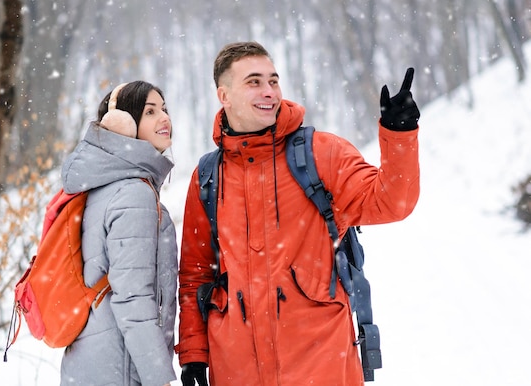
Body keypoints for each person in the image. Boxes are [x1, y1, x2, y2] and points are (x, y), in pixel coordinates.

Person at [176, 42, 420, 385]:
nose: (269, 91)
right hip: (235, 368)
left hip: (321, 364)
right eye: (254, 82)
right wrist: (193, 354)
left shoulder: (321, 153)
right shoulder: (207, 176)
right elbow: (195, 274)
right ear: (224, 95)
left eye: (273, 81)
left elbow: (391, 203)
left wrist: (399, 133)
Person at [60, 81, 177, 386]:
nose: (164, 118)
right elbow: (133, 297)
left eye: (164, 109)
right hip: (121, 369)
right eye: (150, 111)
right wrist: (159, 378)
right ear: (123, 126)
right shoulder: (133, 195)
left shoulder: (104, 186)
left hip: (92, 363)